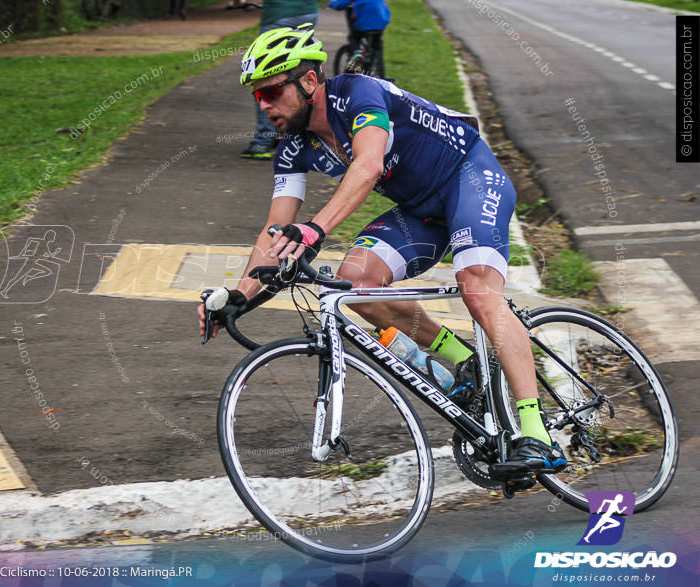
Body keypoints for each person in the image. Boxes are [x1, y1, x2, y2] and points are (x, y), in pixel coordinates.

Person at [199, 25, 568, 476]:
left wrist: (314, 229)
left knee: (476, 288)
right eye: (258, 97)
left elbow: (369, 164)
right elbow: (274, 231)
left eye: (273, 91)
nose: (265, 105)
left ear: (309, 81)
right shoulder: (293, 145)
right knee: (356, 283)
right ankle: (462, 362)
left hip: (470, 179)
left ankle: (536, 433)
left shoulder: (357, 93)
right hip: (421, 209)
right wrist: (239, 297)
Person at [240, 0, 319, 159]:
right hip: (308, 11)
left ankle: (263, 140)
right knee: (299, 70)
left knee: (263, 74)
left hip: (279, 14)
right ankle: (304, 134)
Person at [328, 0, 390, 78]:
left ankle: (356, 53)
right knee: (377, 45)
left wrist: (332, 3)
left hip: (364, 23)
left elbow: (341, 5)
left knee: (354, 37)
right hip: (381, 22)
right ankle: (381, 72)